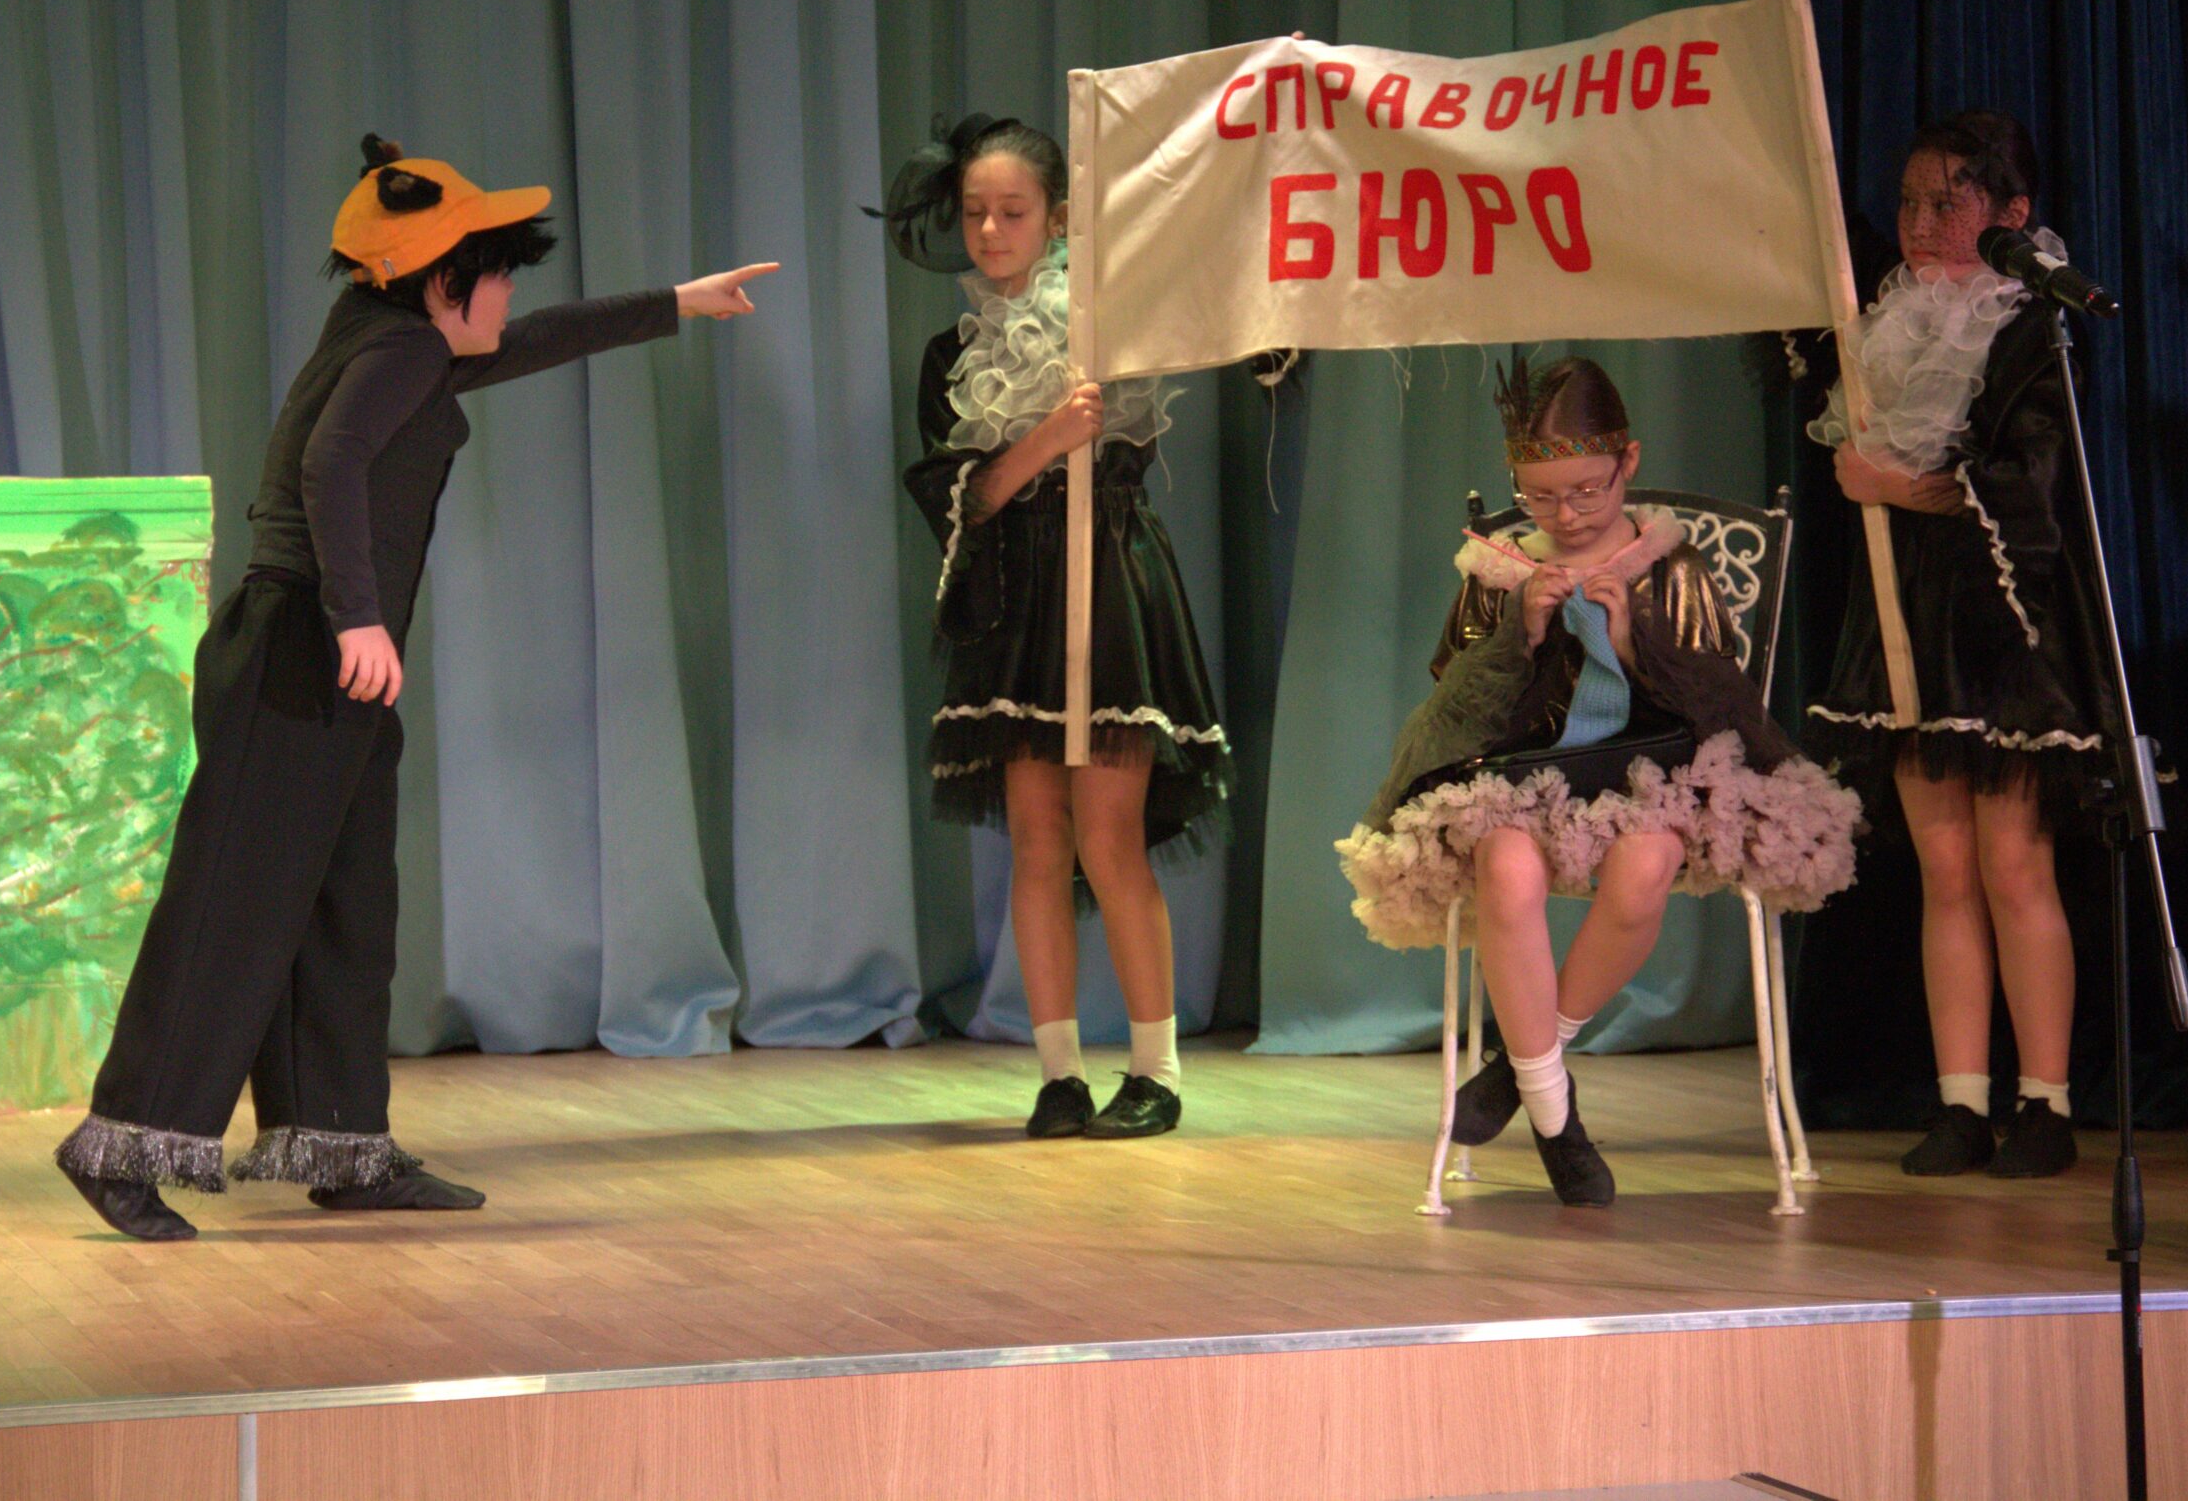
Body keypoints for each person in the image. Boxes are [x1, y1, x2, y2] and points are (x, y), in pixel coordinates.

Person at [55, 135, 778, 1239]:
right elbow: (330, 463)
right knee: (234, 903)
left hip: (325, 663)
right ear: (442, 281)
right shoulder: (395, 350)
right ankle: (125, 1141)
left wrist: (676, 301)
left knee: (345, 905)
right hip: (301, 648)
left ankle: (339, 1142)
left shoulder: (397, 334)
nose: (509, 289)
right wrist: (356, 613)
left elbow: (529, 340)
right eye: (497, 270)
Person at [1339, 356, 1861, 1206]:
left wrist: (1630, 640)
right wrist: (1522, 632)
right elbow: (1457, 702)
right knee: (1506, 869)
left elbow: (1717, 698)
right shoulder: (1497, 571)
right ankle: (1557, 1120)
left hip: (1646, 778)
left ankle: (1514, 1070)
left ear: (1628, 463)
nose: (1567, 513)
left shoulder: (1672, 565)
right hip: (1526, 781)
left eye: (1587, 490)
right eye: (1541, 496)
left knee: (1646, 863)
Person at [877, 114, 1231, 1141]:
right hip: (1015, 600)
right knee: (1037, 839)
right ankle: (1059, 1073)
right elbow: (962, 497)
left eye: (1013, 212)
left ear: (1059, 218)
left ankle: (1156, 1070)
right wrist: (1047, 436)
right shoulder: (951, 355)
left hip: (1109, 584)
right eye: (976, 214)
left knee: (1108, 835)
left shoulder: (1114, 325)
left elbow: (1233, 313)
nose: (991, 231)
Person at [1804, 109, 2111, 1178]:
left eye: (1949, 201)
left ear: (2011, 212)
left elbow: (2032, 488)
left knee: (2012, 863)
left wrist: (1896, 486)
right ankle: (1963, 1101)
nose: (1921, 223)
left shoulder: (2030, 330)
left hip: (2000, 628)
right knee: (1943, 870)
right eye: (1908, 202)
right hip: (1906, 626)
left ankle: (2046, 1101)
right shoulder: (1883, 323)